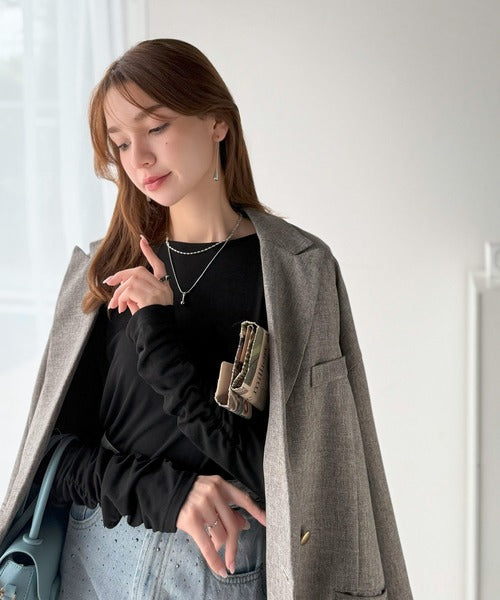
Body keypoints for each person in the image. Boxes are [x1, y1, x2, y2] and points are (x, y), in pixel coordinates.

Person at [0, 39, 413, 599]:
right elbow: (55, 459)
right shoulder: (106, 272)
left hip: (225, 570)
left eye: (156, 127)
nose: (139, 158)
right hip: (97, 562)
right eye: (121, 143)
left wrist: (157, 331)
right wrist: (168, 495)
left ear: (217, 121)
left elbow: (300, 476)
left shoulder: (295, 272)